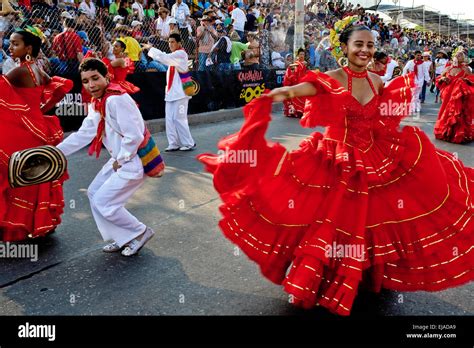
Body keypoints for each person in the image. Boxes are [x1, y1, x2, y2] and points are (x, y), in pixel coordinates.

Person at [198, 22, 473, 316]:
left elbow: (383, 119)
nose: (365, 50)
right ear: (344, 47)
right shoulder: (333, 78)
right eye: (359, 44)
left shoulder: (378, 81)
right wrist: (273, 95)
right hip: (335, 159)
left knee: (371, 217)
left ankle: (365, 273)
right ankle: (325, 278)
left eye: (370, 45)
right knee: (330, 220)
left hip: (371, 157)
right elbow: (298, 90)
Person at [56, 58, 155, 256]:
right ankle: (122, 237)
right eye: (85, 81)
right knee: (94, 193)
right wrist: (56, 152)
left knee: (104, 202)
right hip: (119, 160)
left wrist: (122, 159)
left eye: (95, 78)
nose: (91, 85)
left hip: (131, 161)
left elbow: (134, 134)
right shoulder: (98, 102)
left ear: (107, 77)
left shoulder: (117, 99)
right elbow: (85, 133)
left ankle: (140, 231)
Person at [0, 27, 73, 241]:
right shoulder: (37, 68)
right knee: (33, 177)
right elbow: (51, 85)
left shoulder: (21, 71)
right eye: (10, 43)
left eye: (15, 44)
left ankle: (15, 226)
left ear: (28, 48)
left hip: (25, 130)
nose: (10, 47)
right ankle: (37, 224)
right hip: (38, 128)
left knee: (14, 176)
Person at [144, 34, 196, 151]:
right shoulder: (173, 56)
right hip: (171, 93)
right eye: (169, 42)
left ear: (179, 43)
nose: (170, 44)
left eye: (173, 42)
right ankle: (174, 143)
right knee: (170, 120)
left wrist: (150, 48)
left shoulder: (181, 54)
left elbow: (164, 58)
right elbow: (165, 58)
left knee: (179, 119)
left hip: (181, 93)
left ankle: (188, 143)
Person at [434, 47, 474, 144]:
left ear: (463, 58)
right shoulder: (448, 68)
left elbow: (471, 80)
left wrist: (464, 81)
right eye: (457, 55)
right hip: (448, 95)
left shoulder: (466, 69)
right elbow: (439, 78)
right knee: (446, 113)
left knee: (459, 115)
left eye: (460, 55)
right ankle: (447, 132)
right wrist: (443, 79)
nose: (458, 56)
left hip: (459, 97)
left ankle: (458, 134)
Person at [283, 48, 307, 118]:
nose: (302, 56)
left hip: (302, 84)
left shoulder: (304, 64)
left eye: (303, 54)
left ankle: (299, 111)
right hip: (295, 84)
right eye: (300, 54)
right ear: (298, 55)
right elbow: (290, 73)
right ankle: (295, 111)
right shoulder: (295, 64)